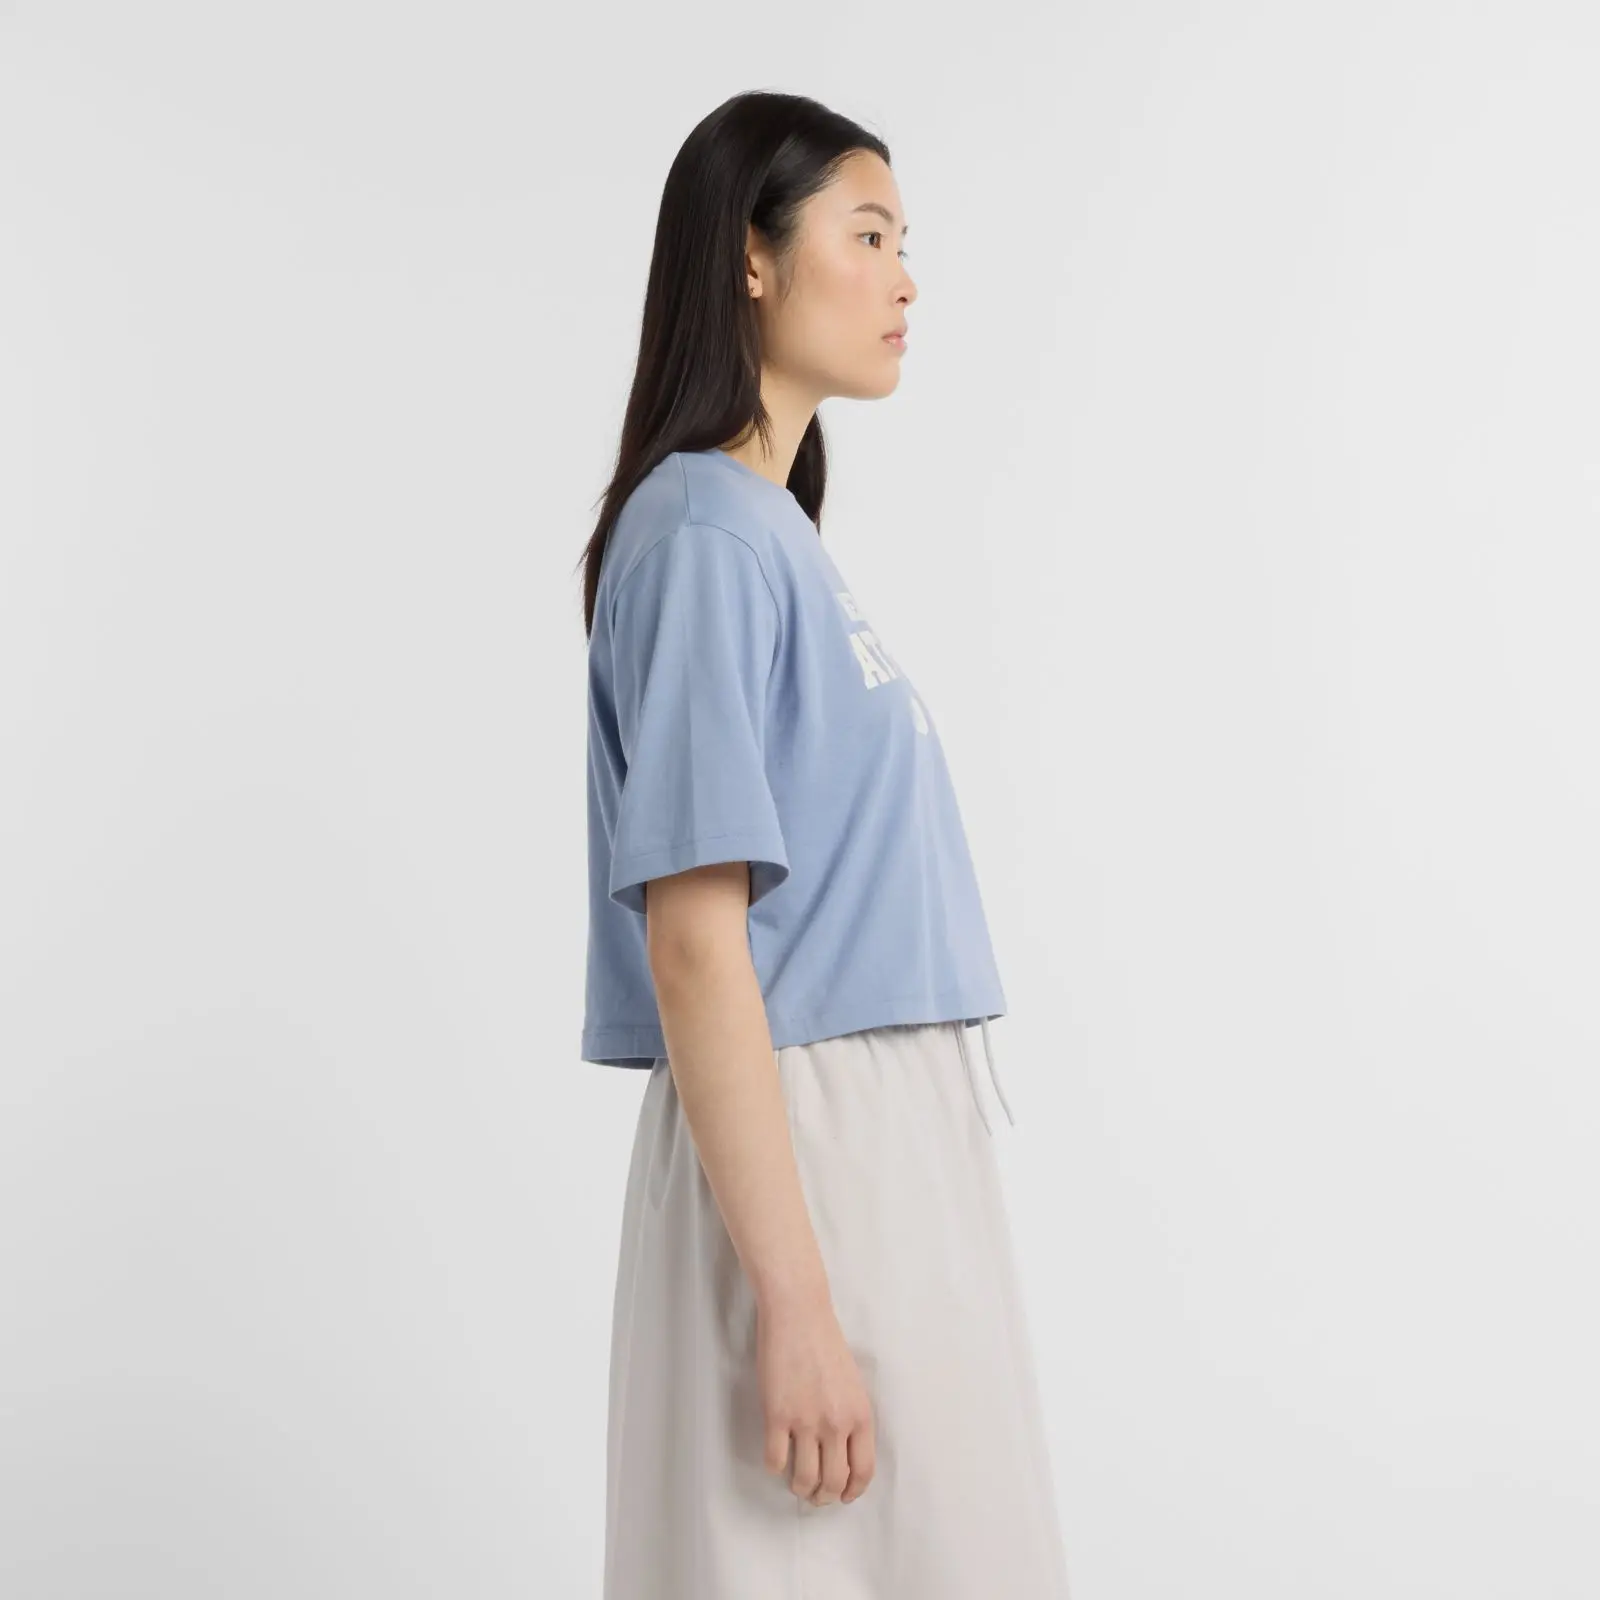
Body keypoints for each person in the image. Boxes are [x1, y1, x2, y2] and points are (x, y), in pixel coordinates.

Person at [576, 90, 1073, 1599]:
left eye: (904, 243)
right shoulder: (703, 534)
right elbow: (693, 938)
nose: (905, 279)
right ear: (751, 256)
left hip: (871, 1143)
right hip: (809, 1151)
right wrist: (795, 1306)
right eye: (869, 237)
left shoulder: (767, 533)